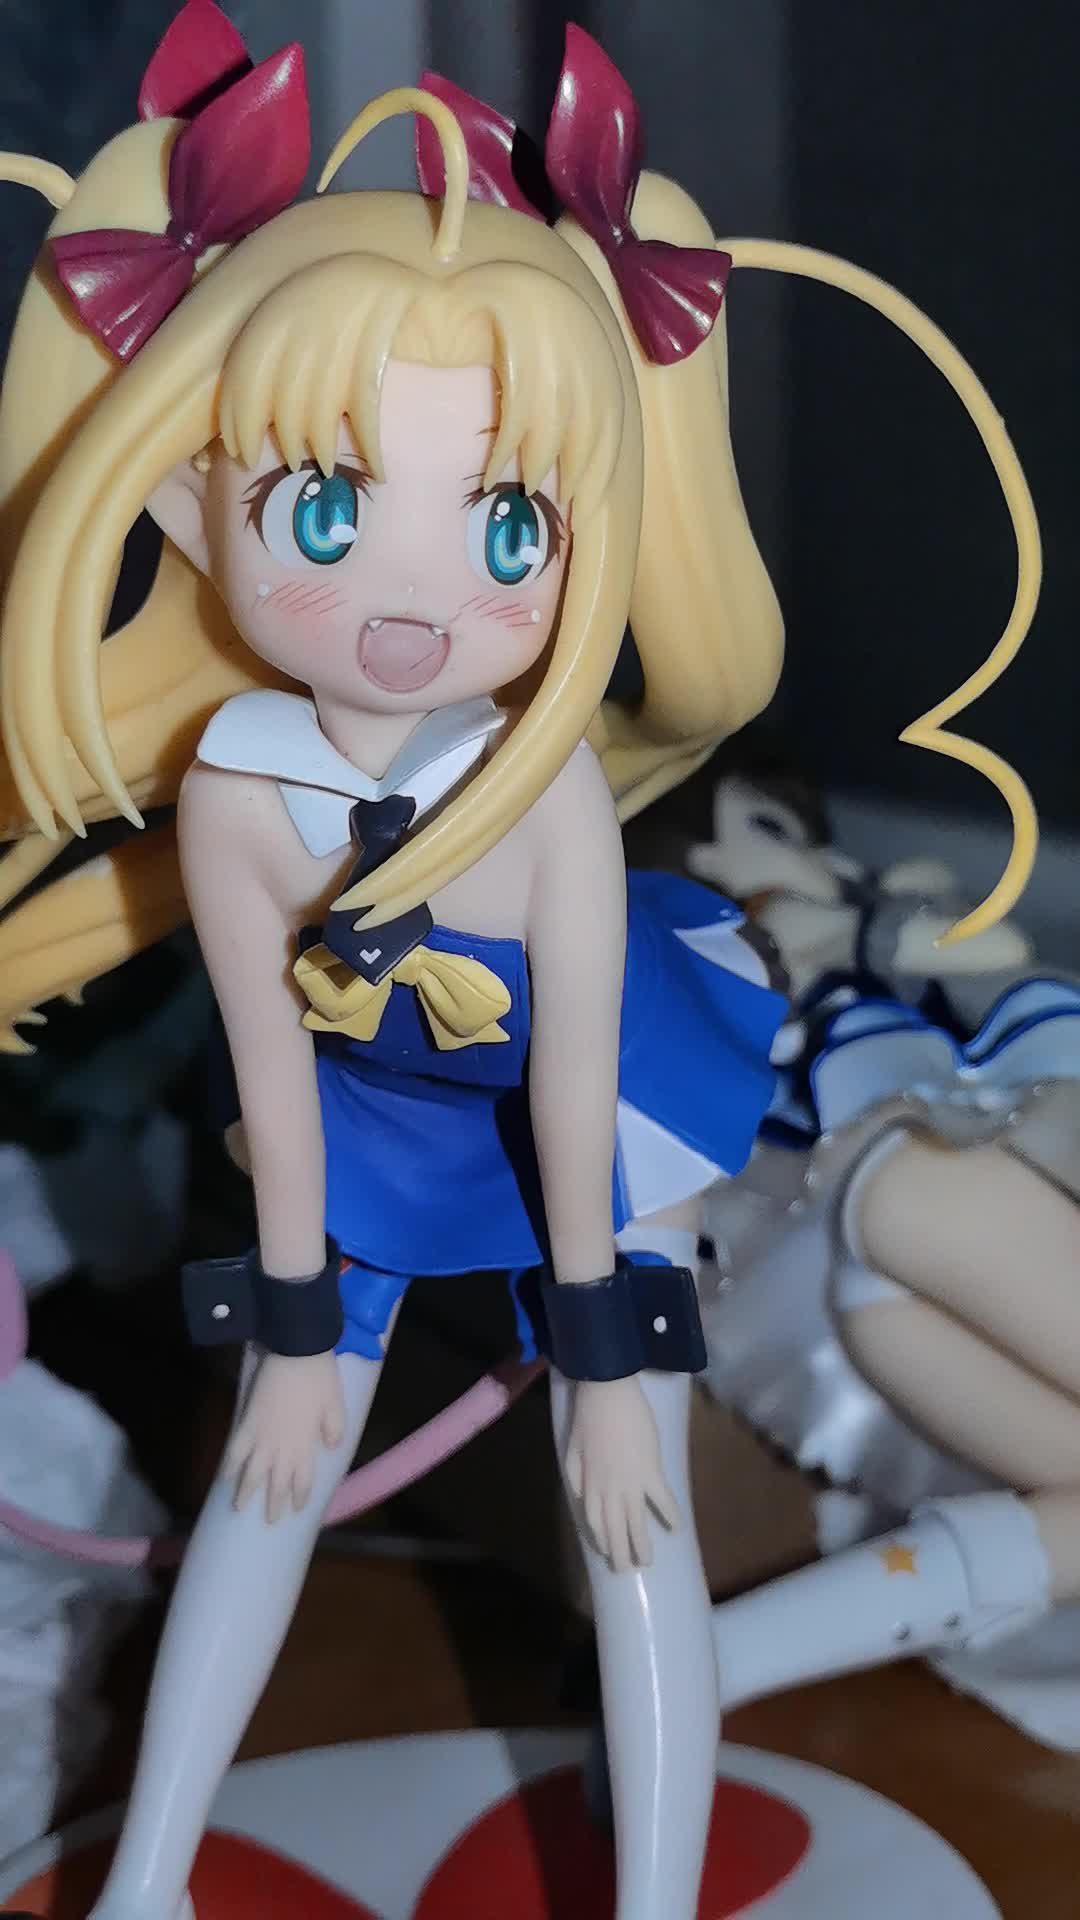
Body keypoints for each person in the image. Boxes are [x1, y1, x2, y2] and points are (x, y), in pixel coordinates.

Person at [0, 6, 1040, 1915]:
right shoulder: (238, 797)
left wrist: (599, 1345)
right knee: (264, 1480)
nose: (413, 601)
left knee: (629, 1504)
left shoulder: (540, 789)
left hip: (597, 1106)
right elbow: (273, 1082)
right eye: (328, 510)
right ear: (184, 499)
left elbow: (574, 1078)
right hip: (371, 1119)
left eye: (506, 524)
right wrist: (294, 1328)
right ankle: (145, 1880)